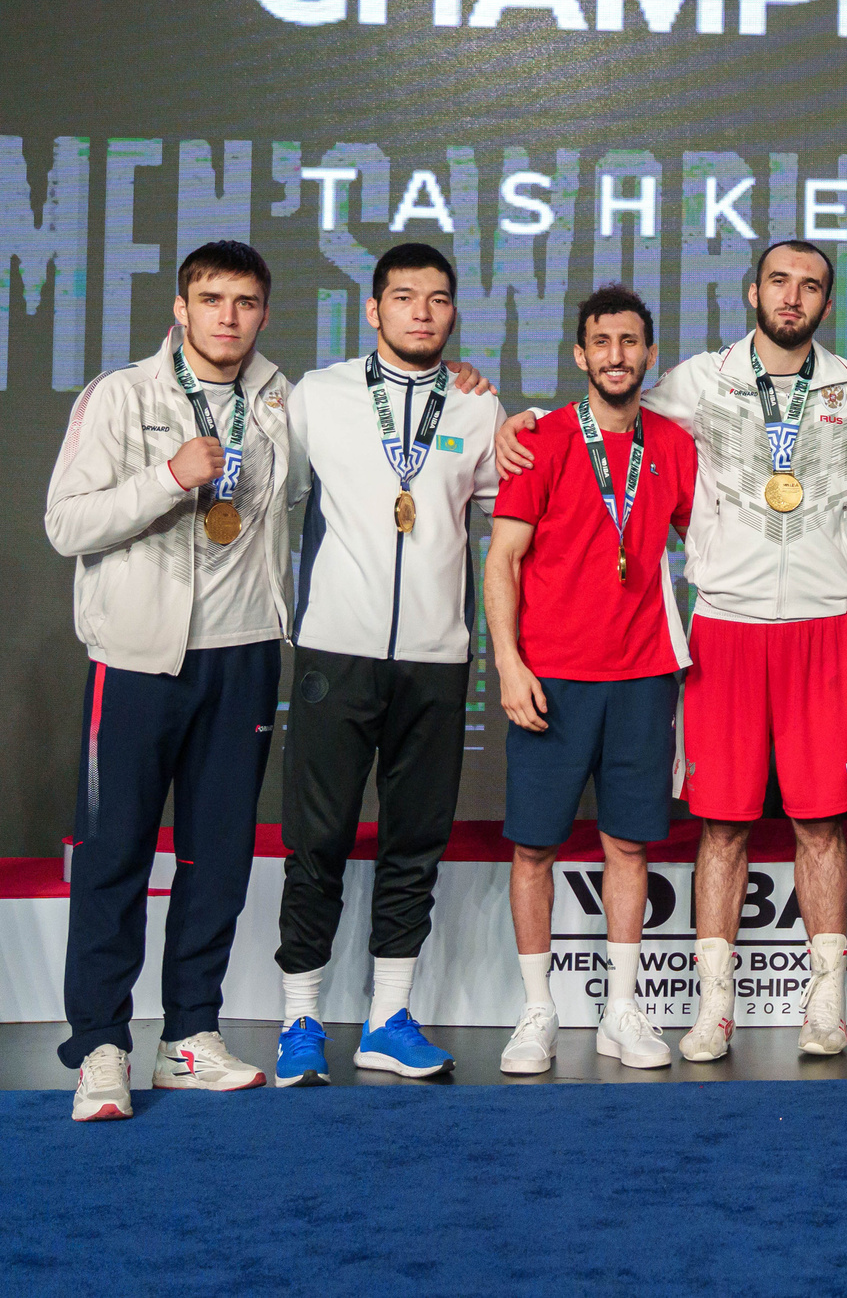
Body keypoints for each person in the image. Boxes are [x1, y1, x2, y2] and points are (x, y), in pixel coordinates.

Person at [503, 240, 847, 1064]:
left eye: (810, 285)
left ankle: (827, 1004)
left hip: (821, 623)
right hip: (724, 626)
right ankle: (715, 1009)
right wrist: (518, 419)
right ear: (752, 290)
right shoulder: (693, 382)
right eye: (779, 281)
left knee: (822, 825)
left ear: (826, 301)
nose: (793, 297)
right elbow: (610, 408)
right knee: (722, 826)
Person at [45, 243, 297, 1121]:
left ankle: (189, 1034)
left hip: (244, 653)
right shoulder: (121, 395)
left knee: (216, 858)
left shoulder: (280, 400)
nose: (228, 316)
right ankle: (103, 1046)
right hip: (139, 658)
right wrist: (166, 478)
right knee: (114, 855)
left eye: (246, 301)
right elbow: (66, 523)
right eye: (211, 298)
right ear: (180, 310)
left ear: (265, 313)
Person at [273, 244, 504, 1085]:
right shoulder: (319, 395)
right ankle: (299, 1019)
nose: (420, 312)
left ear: (452, 314)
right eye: (403, 298)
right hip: (336, 651)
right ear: (372, 310)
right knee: (318, 840)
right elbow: (274, 498)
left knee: (415, 842)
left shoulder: (479, 408)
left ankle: (386, 1020)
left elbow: (499, 536)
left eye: (437, 300)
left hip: (438, 661)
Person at [483, 285, 697, 1075]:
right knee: (534, 848)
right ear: (580, 354)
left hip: (643, 677)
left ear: (649, 354)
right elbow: (501, 559)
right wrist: (508, 662)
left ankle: (622, 1009)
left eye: (630, 341)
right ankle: (537, 1011)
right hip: (552, 678)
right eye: (601, 341)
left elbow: (716, 544)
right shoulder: (538, 440)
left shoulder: (674, 445)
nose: (616, 355)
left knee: (628, 845)